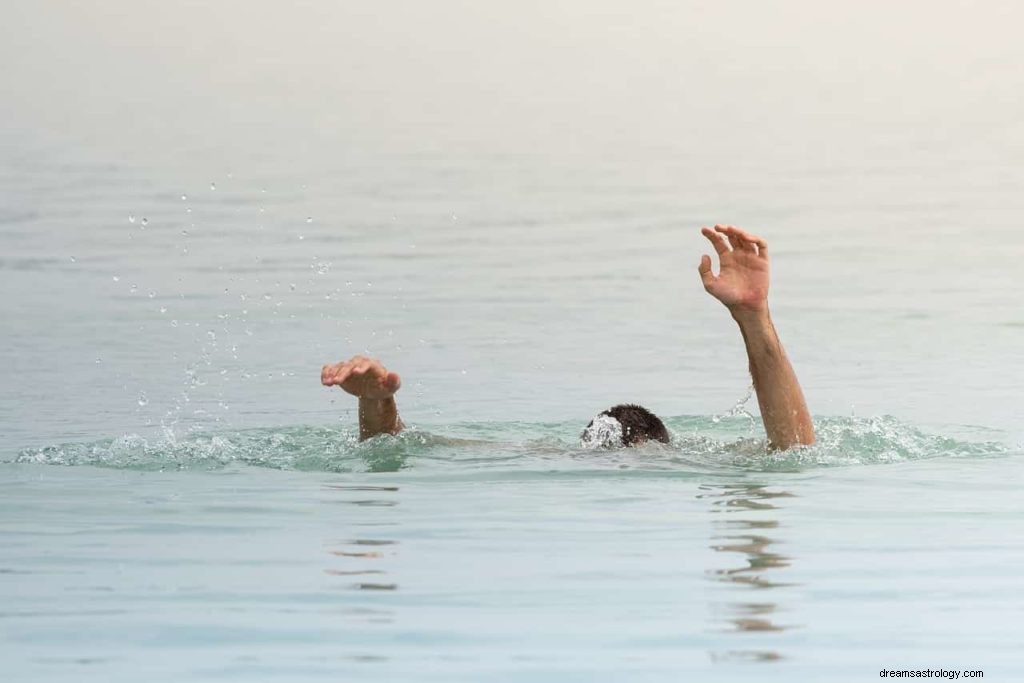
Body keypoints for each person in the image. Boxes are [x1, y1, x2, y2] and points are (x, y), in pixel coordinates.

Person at [321, 226, 815, 451]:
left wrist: (376, 408)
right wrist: (755, 320)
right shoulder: (690, 464)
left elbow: (401, 448)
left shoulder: (541, 455)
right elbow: (794, 449)